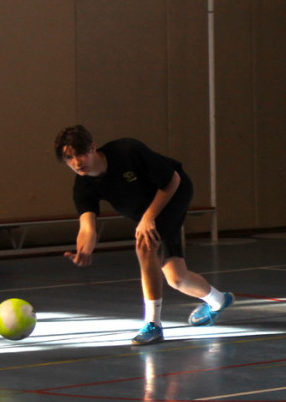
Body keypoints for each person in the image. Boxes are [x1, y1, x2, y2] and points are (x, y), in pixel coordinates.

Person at [54, 125, 233, 345]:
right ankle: (218, 300)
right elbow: (87, 227)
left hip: (173, 193)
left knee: (145, 245)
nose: (76, 162)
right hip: (147, 212)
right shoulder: (83, 186)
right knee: (176, 278)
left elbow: (173, 180)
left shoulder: (126, 151)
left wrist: (148, 217)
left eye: (80, 154)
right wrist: (84, 249)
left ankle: (153, 325)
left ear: (92, 147)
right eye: (69, 158)